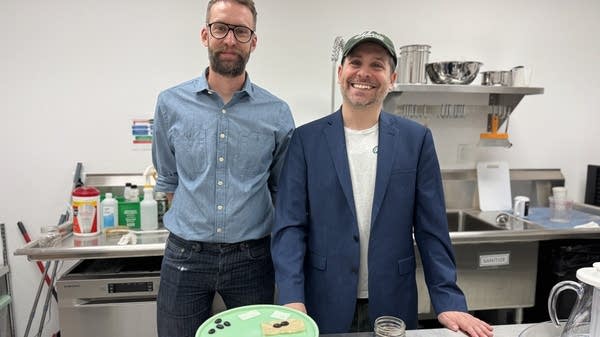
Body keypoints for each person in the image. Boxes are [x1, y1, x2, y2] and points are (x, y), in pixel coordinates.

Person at [271, 31, 493, 337]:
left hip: (392, 302)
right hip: (322, 300)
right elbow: (290, 226)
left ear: (391, 79)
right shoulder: (306, 141)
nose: (364, 73)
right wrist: (292, 298)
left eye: (377, 65)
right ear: (340, 72)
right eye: (355, 62)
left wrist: (448, 298)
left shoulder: (416, 140)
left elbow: (432, 229)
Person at [151, 0, 294, 336]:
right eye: (221, 28)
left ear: (253, 41)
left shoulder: (276, 113)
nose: (230, 39)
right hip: (185, 255)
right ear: (205, 34)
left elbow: (280, 187)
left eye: (241, 31)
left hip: (252, 259)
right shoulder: (170, 104)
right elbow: (169, 178)